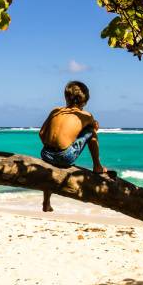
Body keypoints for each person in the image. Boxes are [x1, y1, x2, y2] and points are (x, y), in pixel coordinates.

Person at [39, 81, 108, 212]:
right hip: (65, 157)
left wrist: (53, 145)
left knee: (49, 169)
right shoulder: (86, 115)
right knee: (90, 132)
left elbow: (41, 133)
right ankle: (97, 166)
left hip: (45, 153)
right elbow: (95, 127)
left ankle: (46, 203)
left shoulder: (55, 110)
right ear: (85, 101)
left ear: (66, 97)